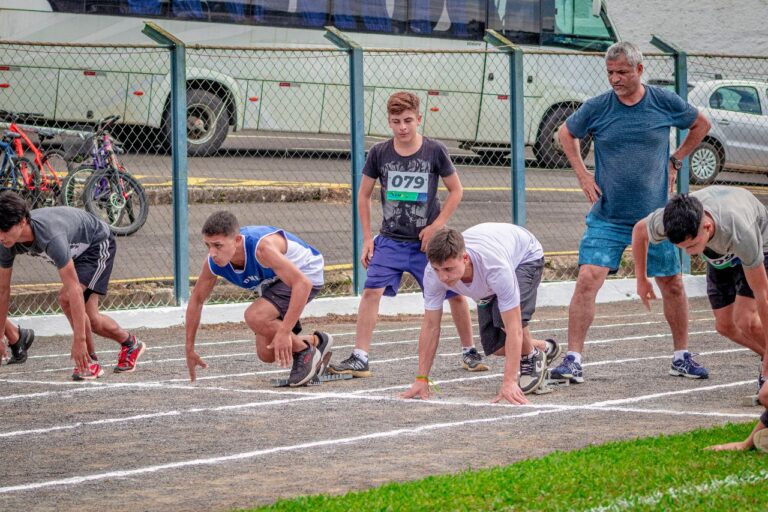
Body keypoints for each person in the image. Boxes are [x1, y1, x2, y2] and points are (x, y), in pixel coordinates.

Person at [552, 41, 712, 383]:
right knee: (587, 279)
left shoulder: (663, 102)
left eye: (622, 72)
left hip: (656, 218)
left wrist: (677, 160)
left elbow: (701, 124)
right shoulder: (597, 108)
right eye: (610, 72)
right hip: (608, 216)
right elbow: (566, 133)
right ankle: (573, 359)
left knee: (672, 284)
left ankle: (681, 356)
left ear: (640, 70)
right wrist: (582, 174)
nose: (615, 79)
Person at [329, 91, 482, 378]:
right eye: (396, 121)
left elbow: (456, 190)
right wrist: (366, 238)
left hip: (427, 244)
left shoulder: (435, 151)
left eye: (408, 120)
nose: (402, 127)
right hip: (390, 239)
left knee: (454, 293)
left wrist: (437, 225)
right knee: (371, 291)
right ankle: (360, 356)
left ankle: (469, 351)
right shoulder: (379, 153)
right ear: (388, 121)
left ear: (419, 118)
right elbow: (363, 196)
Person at [401, 224, 560, 404]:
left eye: (448, 269)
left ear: (465, 258)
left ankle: (531, 356)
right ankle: (543, 347)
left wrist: (509, 382)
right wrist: (421, 379)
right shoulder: (432, 275)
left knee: (504, 321)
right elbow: (430, 326)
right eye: (437, 269)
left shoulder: (495, 268)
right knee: (496, 346)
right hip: (494, 257)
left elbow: (514, 327)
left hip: (525, 256)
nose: (443, 277)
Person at [632, 188, 767, 393]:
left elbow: (762, 294)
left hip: (759, 243)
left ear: (707, 226)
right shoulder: (669, 219)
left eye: (693, 245)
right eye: (682, 247)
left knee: (746, 320)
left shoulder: (741, 232)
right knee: (725, 325)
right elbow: (639, 231)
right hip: (719, 253)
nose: (689, 253)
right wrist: (641, 279)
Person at [0, 190, 145, 380]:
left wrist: (79, 341)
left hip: (97, 244)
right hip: (76, 252)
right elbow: (3, 290)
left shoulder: (50, 236)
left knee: (67, 297)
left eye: (4, 229)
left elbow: (74, 289)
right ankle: (130, 344)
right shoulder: (6, 244)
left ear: (22, 222)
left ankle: (89, 361)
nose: (1, 236)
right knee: (92, 320)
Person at [185, 211, 333, 387]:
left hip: (306, 272)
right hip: (275, 283)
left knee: (255, 316)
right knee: (267, 353)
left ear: (238, 240)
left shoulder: (261, 249)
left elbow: (302, 283)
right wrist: (189, 348)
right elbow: (196, 300)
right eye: (207, 245)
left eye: (218, 245)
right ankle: (317, 341)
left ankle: (306, 352)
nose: (212, 253)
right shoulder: (213, 263)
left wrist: (285, 331)